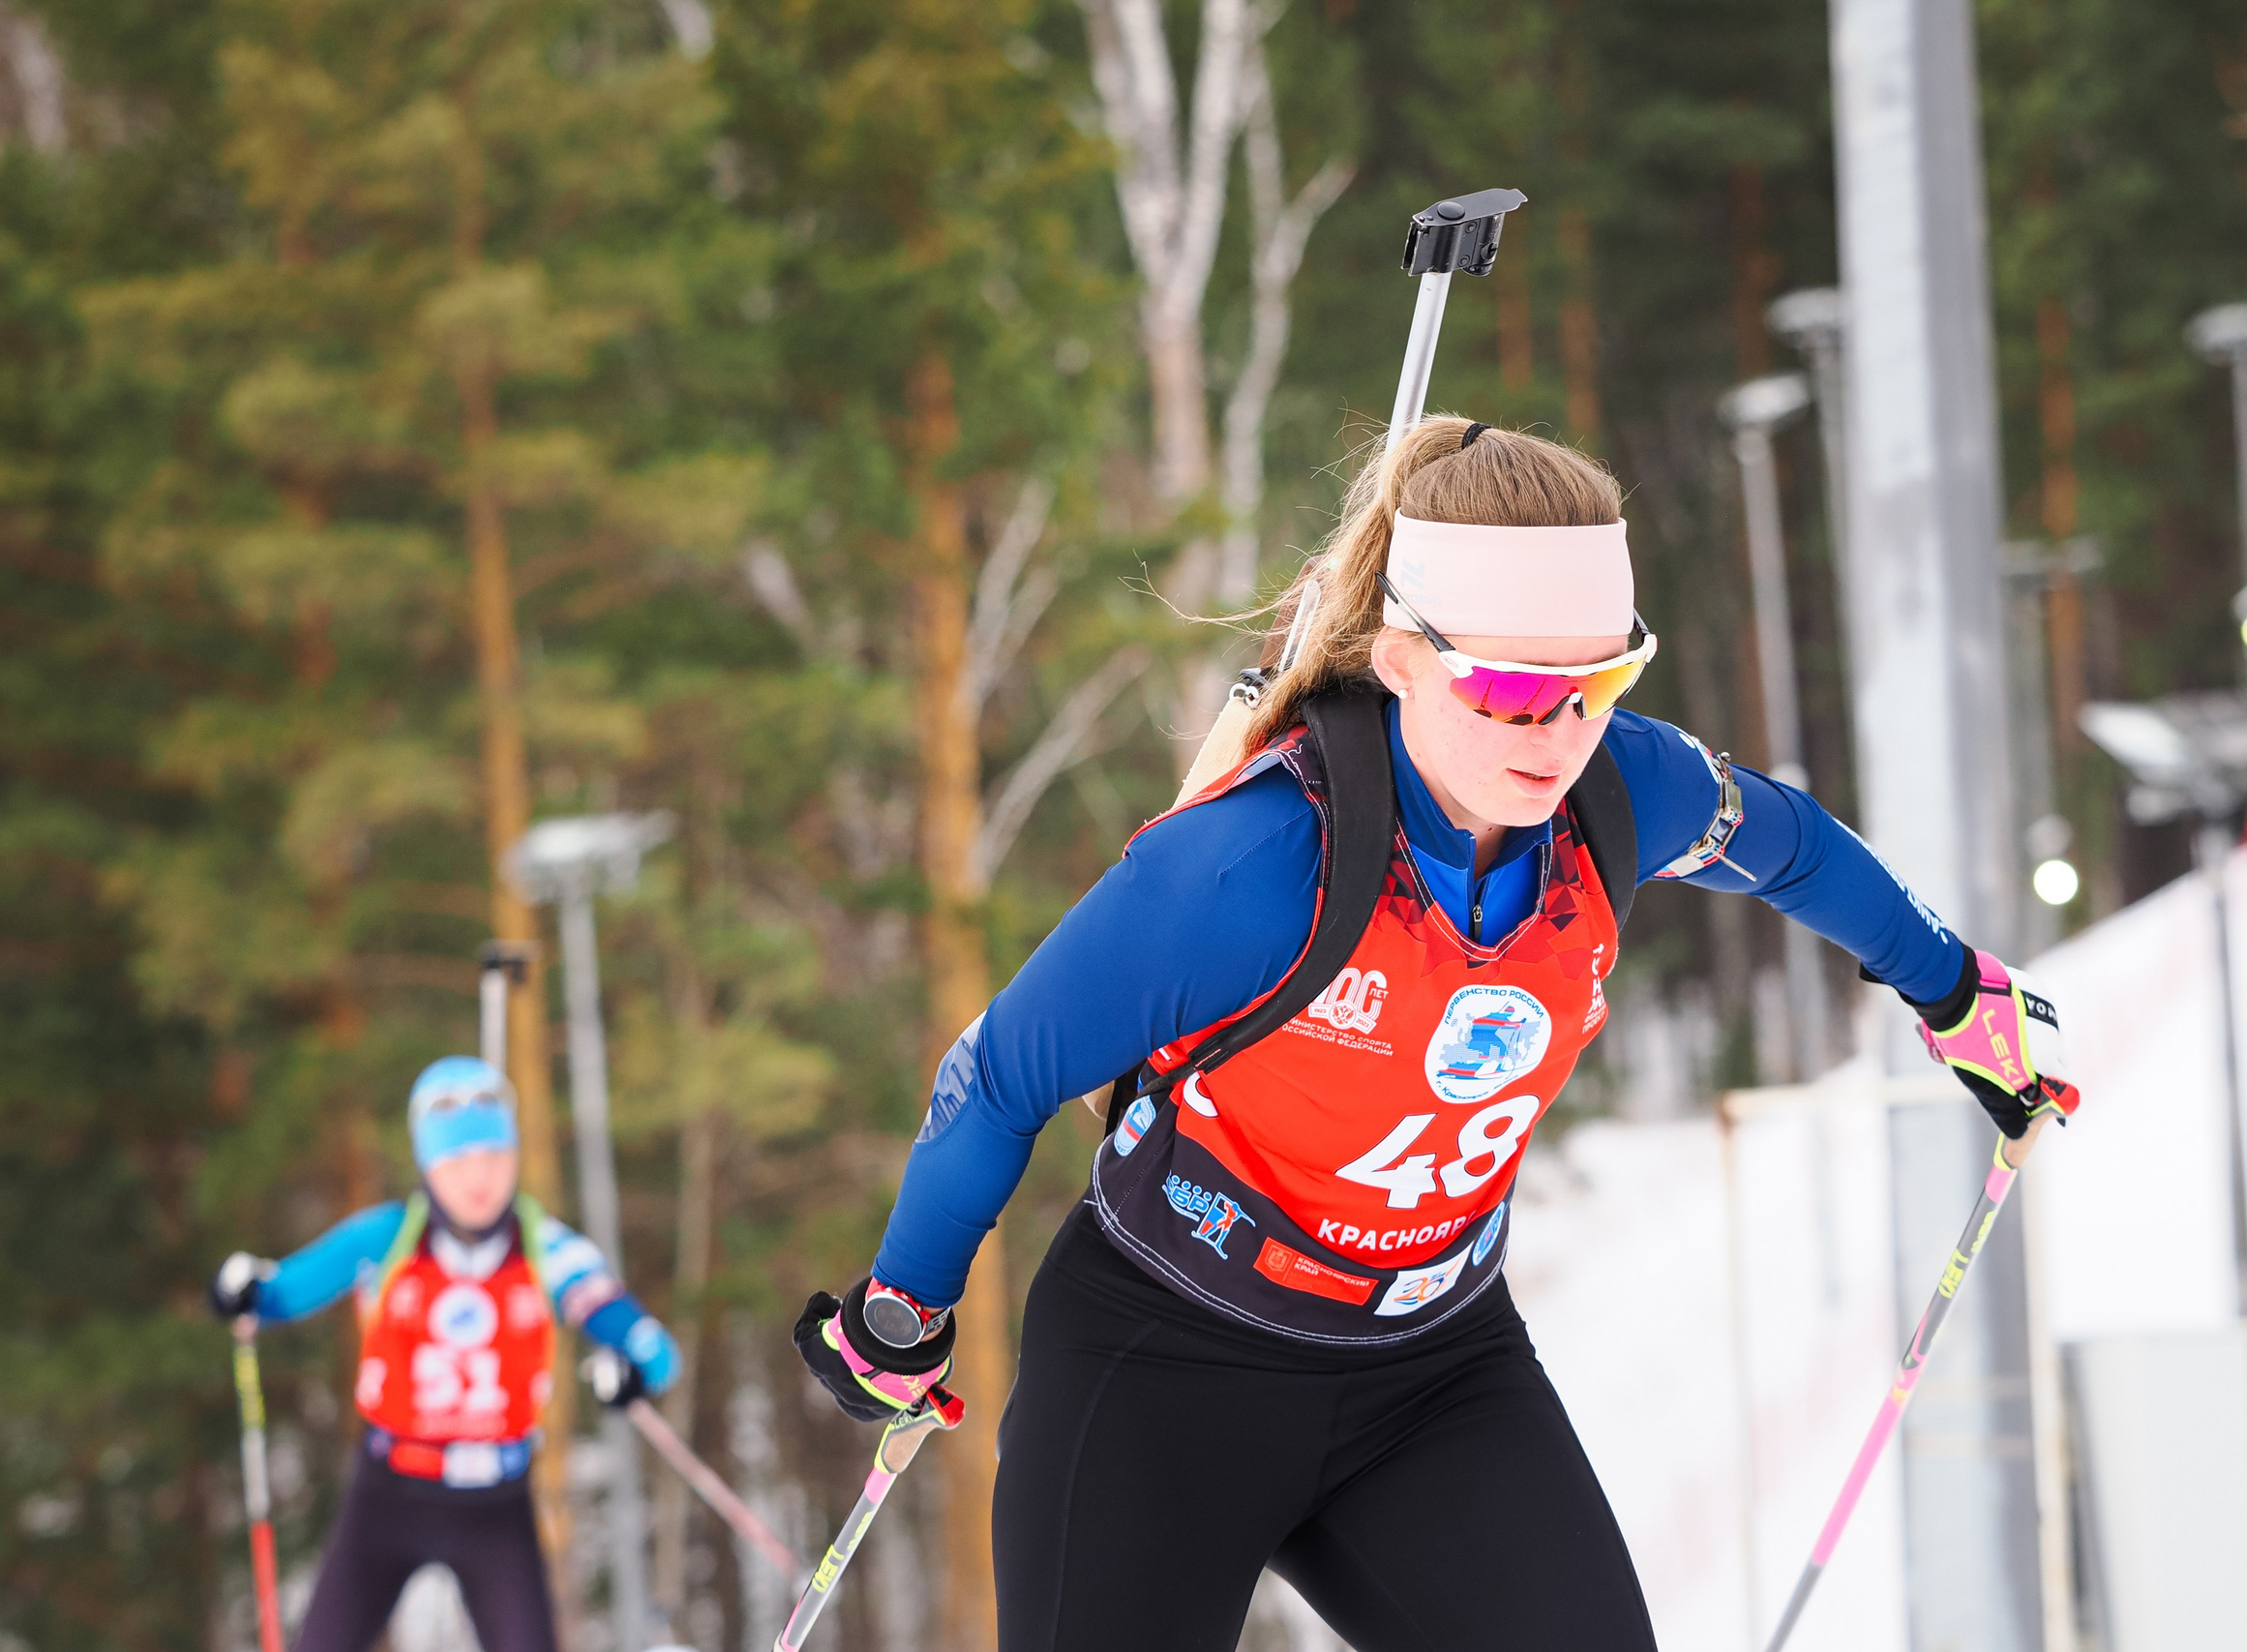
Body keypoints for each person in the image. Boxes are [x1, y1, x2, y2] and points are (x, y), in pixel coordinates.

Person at [793, 418, 2073, 1652]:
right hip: (1165, 1362)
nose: (1555, 735)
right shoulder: (1248, 866)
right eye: (1513, 688)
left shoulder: (1621, 791)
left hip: (1432, 1371)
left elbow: (1787, 844)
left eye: (1596, 683)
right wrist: (904, 1308)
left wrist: (1956, 992)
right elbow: (1001, 1070)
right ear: (1400, 656)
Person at [210, 1057, 680, 1652]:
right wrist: (244, 1291)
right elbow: (281, 1293)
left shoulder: (548, 1250)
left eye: (494, 1156)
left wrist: (632, 1371)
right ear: (429, 1165)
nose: (478, 1177)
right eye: (457, 1159)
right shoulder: (385, 1239)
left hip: (496, 1504)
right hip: (387, 1493)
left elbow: (652, 1348)